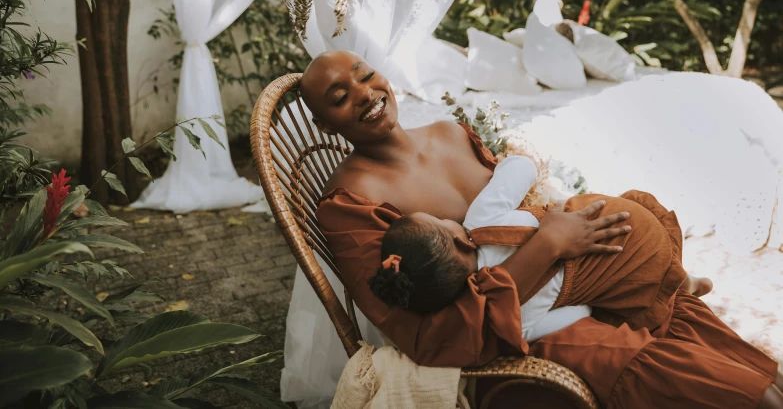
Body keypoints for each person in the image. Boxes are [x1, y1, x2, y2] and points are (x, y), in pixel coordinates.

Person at [299, 50, 782, 408]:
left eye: (365, 75)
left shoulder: (448, 132)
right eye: (340, 98)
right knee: (742, 393)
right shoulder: (351, 204)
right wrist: (550, 242)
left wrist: (566, 224)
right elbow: (429, 337)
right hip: (517, 334)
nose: (364, 94)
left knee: (733, 357)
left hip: (571, 283)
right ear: (324, 125)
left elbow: (516, 205)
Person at [368, 155, 712, 343]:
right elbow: (522, 167)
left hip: (632, 274)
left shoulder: (513, 317)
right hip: (622, 218)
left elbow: (581, 315)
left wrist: (577, 293)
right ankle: (689, 280)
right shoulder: (479, 222)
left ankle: (687, 284)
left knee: (623, 287)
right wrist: (501, 162)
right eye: (439, 219)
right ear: (458, 238)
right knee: (581, 213)